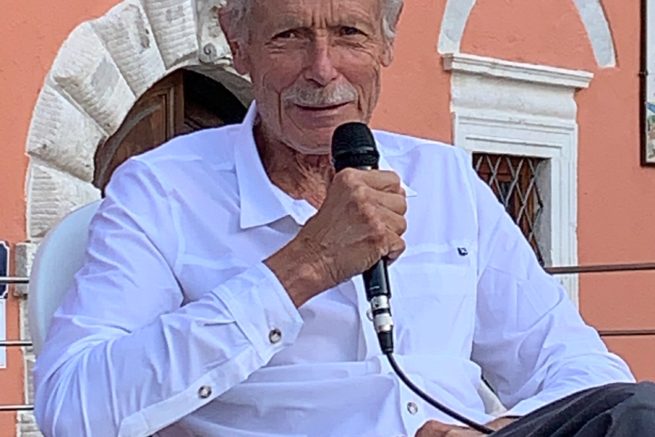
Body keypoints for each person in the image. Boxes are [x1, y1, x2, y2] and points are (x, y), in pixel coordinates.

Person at [34, 0, 654, 436]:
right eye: (289, 36)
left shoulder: (445, 179)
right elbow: (74, 407)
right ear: (237, 44)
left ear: (386, 42)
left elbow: (578, 367)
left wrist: (499, 428)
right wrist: (303, 267)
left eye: (350, 34)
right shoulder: (160, 190)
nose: (323, 69)